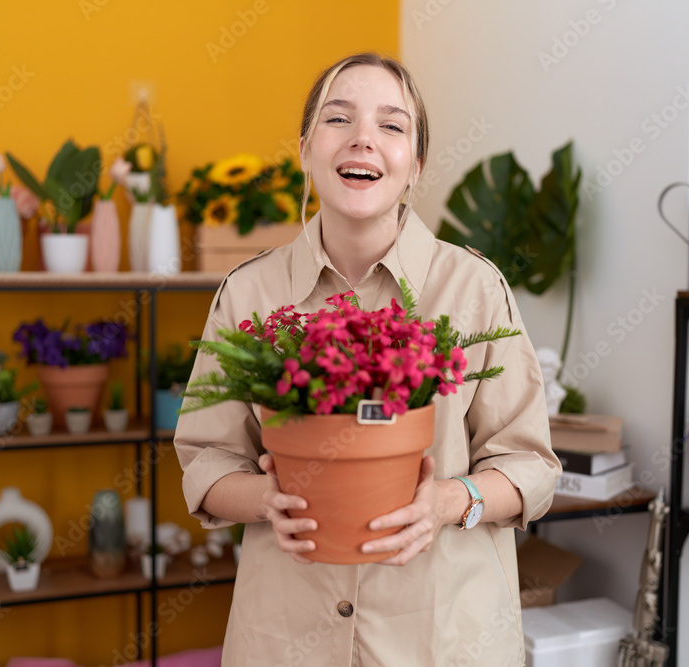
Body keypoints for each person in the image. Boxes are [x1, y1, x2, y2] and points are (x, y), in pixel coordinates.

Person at [174, 52, 561, 667]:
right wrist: (267, 499)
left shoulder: (474, 289)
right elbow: (206, 460)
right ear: (305, 149)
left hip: (442, 639)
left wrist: (446, 500)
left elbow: (530, 467)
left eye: (391, 125)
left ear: (416, 164)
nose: (363, 140)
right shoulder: (249, 294)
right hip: (286, 640)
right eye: (339, 119)